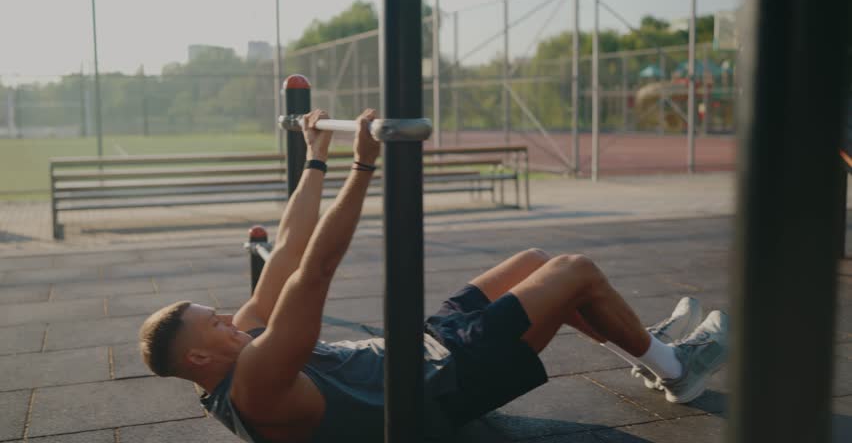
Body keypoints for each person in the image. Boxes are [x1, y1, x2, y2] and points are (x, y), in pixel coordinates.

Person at [138, 109, 729, 443]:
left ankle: (651, 354)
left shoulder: (240, 347)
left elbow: (290, 246)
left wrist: (315, 153)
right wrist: (364, 164)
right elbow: (312, 272)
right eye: (212, 321)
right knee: (574, 273)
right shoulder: (255, 384)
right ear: (196, 360)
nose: (227, 317)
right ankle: (676, 367)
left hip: (424, 347)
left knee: (530, 262)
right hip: (444, 386)